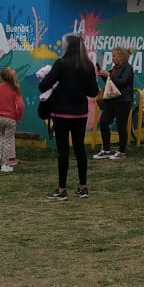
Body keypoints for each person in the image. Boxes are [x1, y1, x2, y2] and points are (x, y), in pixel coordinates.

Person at [39, 33, 100, 200]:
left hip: (62, 113)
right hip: (80, 113)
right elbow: (93, 92)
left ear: (67, 46)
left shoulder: (60, 64)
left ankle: (61, 189)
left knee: (63, 151)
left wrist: (55, 81)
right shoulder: (87, 65)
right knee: (80, 149)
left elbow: (43, 85)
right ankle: (82, 186)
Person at [95, 46, 135, 159]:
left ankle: (122, 151)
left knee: (121, 125)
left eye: (114, 56)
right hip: (112, 100)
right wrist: (104, 75)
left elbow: (122, 83)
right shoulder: (115, 68)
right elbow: (111, 82)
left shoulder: (128, 68)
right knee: (103, 122)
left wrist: (109, 75)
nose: (112, 58)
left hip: (123, 101)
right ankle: (106, 150)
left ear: (121, 57)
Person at [0, 67, 24, 173]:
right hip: (11, 119)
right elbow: (20, 106)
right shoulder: (15, 90)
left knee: (2, 137)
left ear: (1, 77)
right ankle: (5, 165)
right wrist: (18, 118)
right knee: (7, 141)